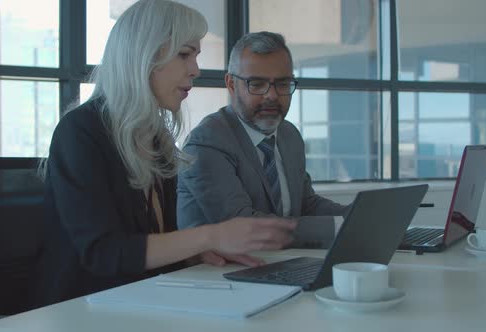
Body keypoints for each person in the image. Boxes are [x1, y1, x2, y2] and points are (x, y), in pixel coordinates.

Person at [34, 1, 296, 307]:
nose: (196, 70)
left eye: (196, 56)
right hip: (77, 314)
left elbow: (153, 244)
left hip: (140, 305)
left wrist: (197, 253)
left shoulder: (155, 139)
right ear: (143, 57)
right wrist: (210, 236)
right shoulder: (79, 132)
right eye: (184, 54)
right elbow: (103, 254)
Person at [177, 31, 349, 230]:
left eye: (283, 83)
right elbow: (243, 225)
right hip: (224, 261)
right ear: (231, 84)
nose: (272, 95)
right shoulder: (207, 142)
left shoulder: (289, 135)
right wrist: (337, 226)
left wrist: (356, 216)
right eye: (257, 84)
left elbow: (306, 205)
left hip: (284, 259)